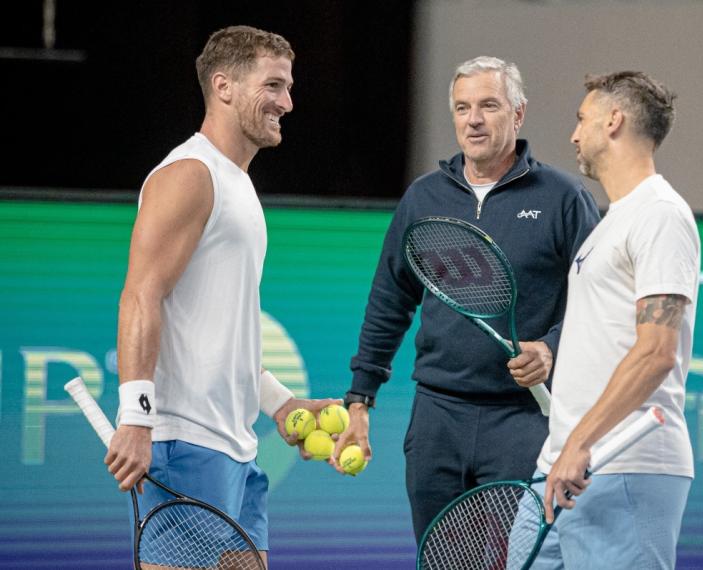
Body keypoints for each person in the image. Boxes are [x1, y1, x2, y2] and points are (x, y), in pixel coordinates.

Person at [332, 56, 600, 541]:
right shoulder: (424, 199)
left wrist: (551, 347)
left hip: (525, 421)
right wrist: (360, 399)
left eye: (488, 105)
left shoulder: (563, 198)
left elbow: (601, 304)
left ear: (518, 114)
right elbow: (390, 301)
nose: (473, 119)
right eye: (461, 107)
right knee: (440, 556)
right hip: (438, 417)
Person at [104, 26, 341, 567]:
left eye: (288, 87)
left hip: (237, 447)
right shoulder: (190, 174)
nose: (288, 102)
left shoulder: (239, 186)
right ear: (224, 86)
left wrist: (281, 404)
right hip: (184, 444)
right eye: (274, 85)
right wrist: (136, 418)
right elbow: (141, 295)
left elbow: (218, 330)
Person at [532, 71, 699, 569]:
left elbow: (656, 352)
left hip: (623, 463)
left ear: (614, 121)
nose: (573, 134)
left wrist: (581, 442)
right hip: (560, 469)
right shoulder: (611, 223)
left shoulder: (661, 216)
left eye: (582, 119)